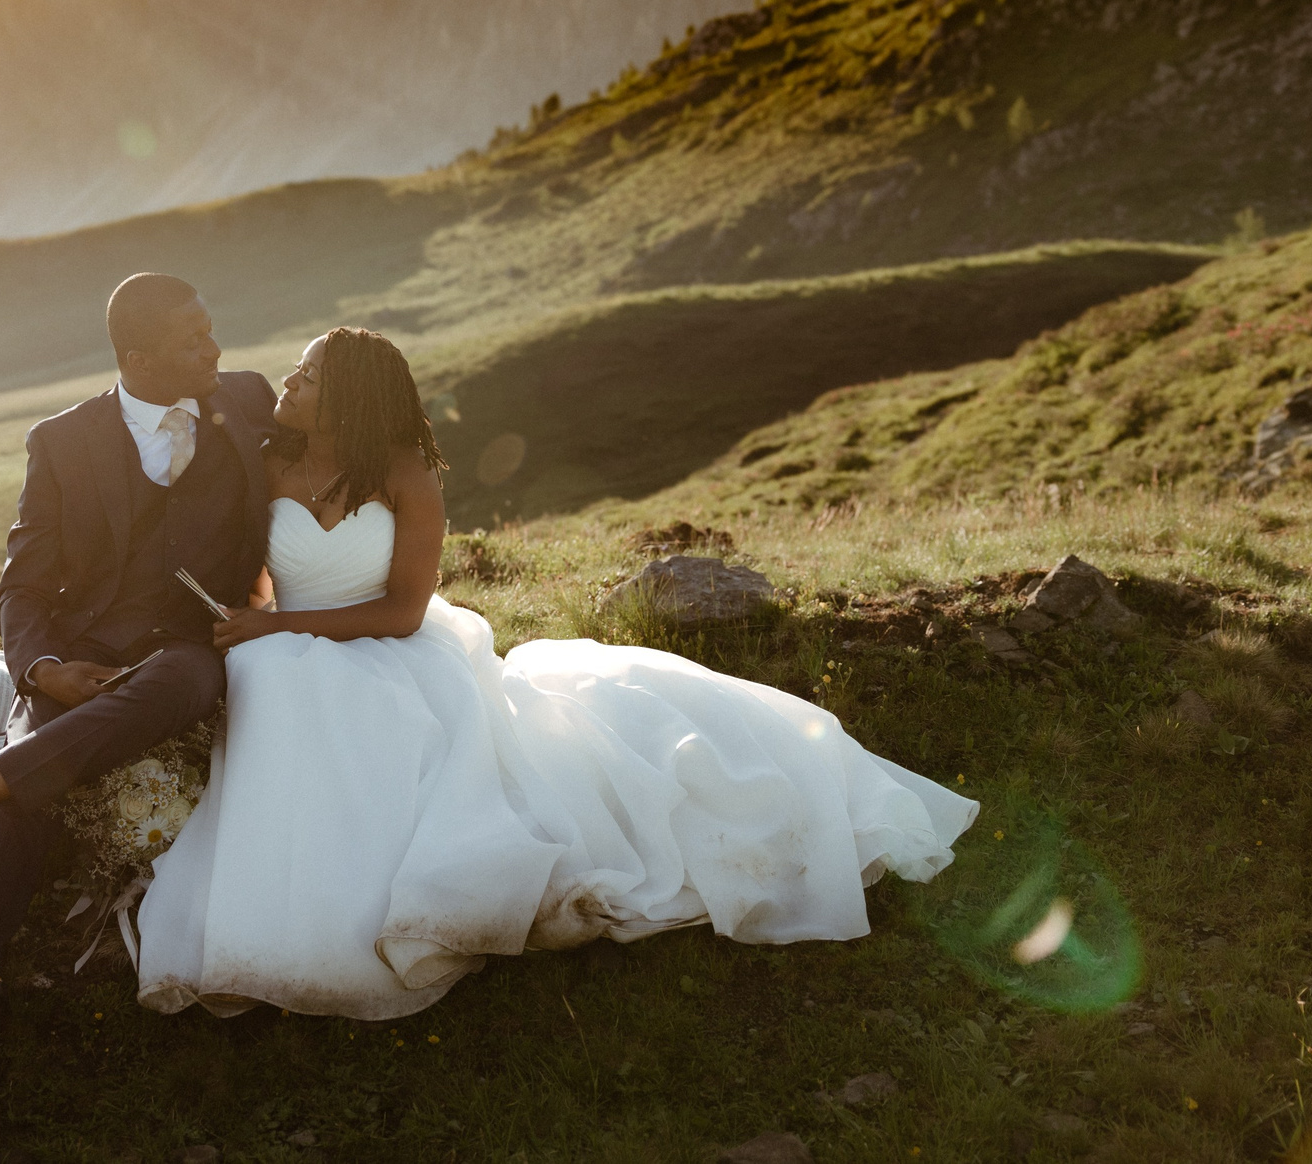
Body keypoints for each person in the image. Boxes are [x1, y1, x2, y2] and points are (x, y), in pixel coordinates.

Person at [131, 327, 980, 1020]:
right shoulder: (269, 461)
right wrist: (252, 617)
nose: (290, 377)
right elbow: (252, 559)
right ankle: (293, 902)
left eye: (310, 373)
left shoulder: (404, 472)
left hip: (392, 646)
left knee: (350, 704)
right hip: (295, 642)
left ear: (348, 396)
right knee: (277, 682)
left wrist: (286, 624)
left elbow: (400, 609)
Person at [0, 272, 277, 1050]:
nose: (214, 347)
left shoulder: (246, 399)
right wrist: (42, 671)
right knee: (36, 777)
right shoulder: (62, 442)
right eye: (192, 340)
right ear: (137, 359)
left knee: (180, 680)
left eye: (210, 328)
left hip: (186, 650)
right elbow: (25, 586)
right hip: (79, 654)